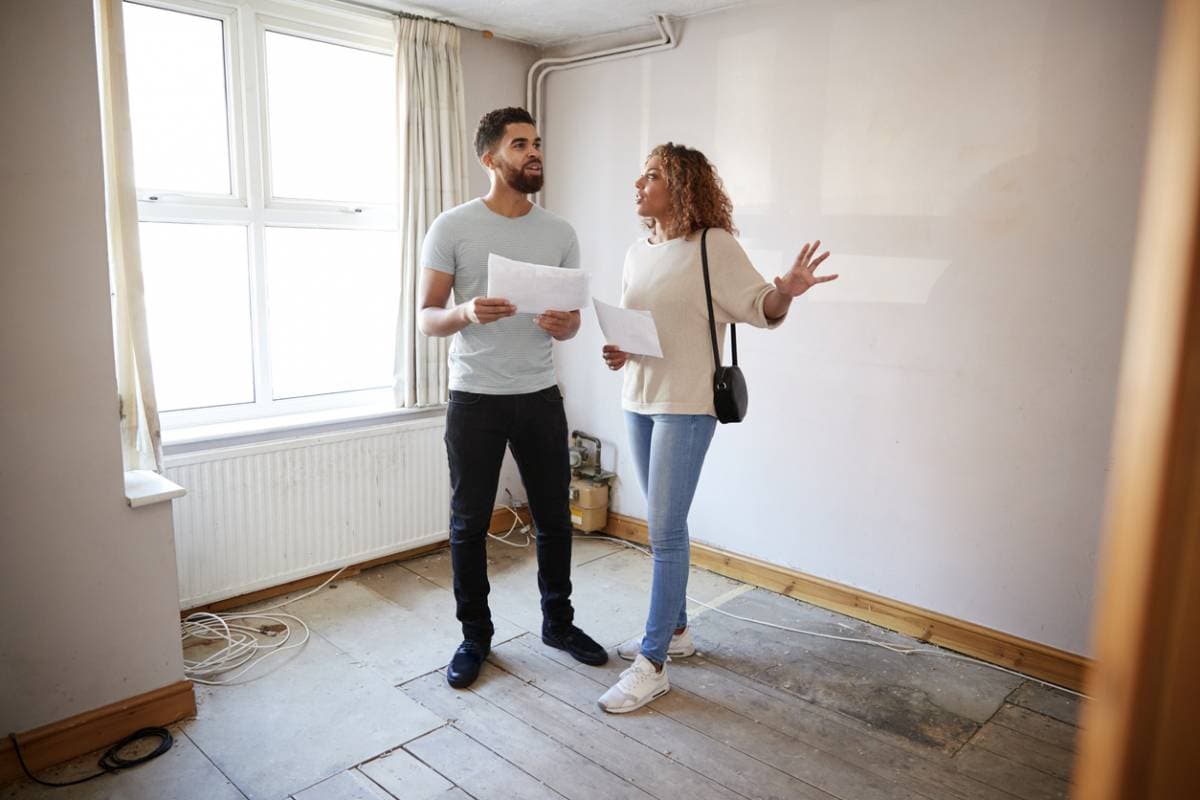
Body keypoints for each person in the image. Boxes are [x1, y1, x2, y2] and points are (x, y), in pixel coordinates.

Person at [597, 142, 836, 713]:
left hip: (687, 403)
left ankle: (652, 663)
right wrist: (619, 351)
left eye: (652, 175)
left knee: (665, 529)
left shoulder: (713, 245)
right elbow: (649, 328)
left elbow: (761, 305)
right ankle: (677, 633)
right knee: (662, 524)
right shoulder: (637, 252)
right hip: (638, 397)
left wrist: (787, 290)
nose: (639, 184)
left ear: (680, 187)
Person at [418, 107, 608, 690]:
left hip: (540, 395)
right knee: (468, 523)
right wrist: (467, 312)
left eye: (537, 143)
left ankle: (559, 623)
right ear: (490, 158)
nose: (534, 153)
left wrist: (563, 326)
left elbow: (574, 322)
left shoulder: (560, 233)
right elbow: (428, 318)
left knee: (554, 519)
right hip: (475, 398)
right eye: (520, 144)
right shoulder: (451, 227)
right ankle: (475, 636)